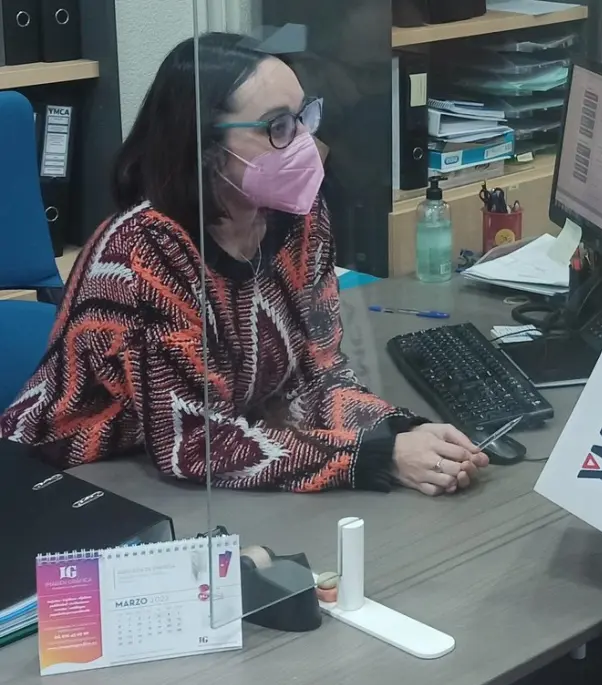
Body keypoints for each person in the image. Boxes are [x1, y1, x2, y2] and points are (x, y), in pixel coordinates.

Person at [0, 33, 488, 496]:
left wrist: (401, 433)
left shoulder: (300, 217)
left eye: (303, 117)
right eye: (278, 126)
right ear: (204, 147)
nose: (304, 141)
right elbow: (194, 444)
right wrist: (375, 457)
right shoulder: (145, 252)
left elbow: (317, 375)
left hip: (183, 470)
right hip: (71, 480)